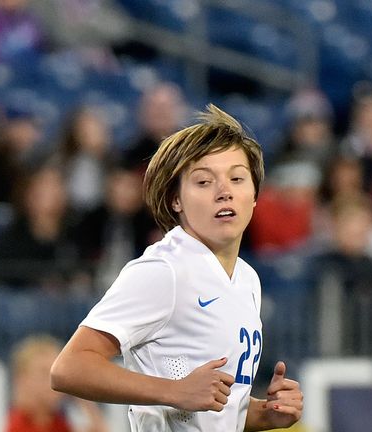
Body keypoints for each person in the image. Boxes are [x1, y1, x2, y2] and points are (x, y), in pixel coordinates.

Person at [50, 104, 303, 431]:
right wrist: (174, 391)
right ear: (176, 200)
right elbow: (69, 368)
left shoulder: (247, 278)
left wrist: (266, 414)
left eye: (237, 178)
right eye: (204, 181)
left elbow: (212, 411)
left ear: (254, 194)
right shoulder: (163, 270)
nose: (224, 192)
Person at [6, 335, 108, 432]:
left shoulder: (58, 423)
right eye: (44, 373)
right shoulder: (17, 426)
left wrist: (83, 397)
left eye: (57, 373)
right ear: (21, 379)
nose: (54, 381)